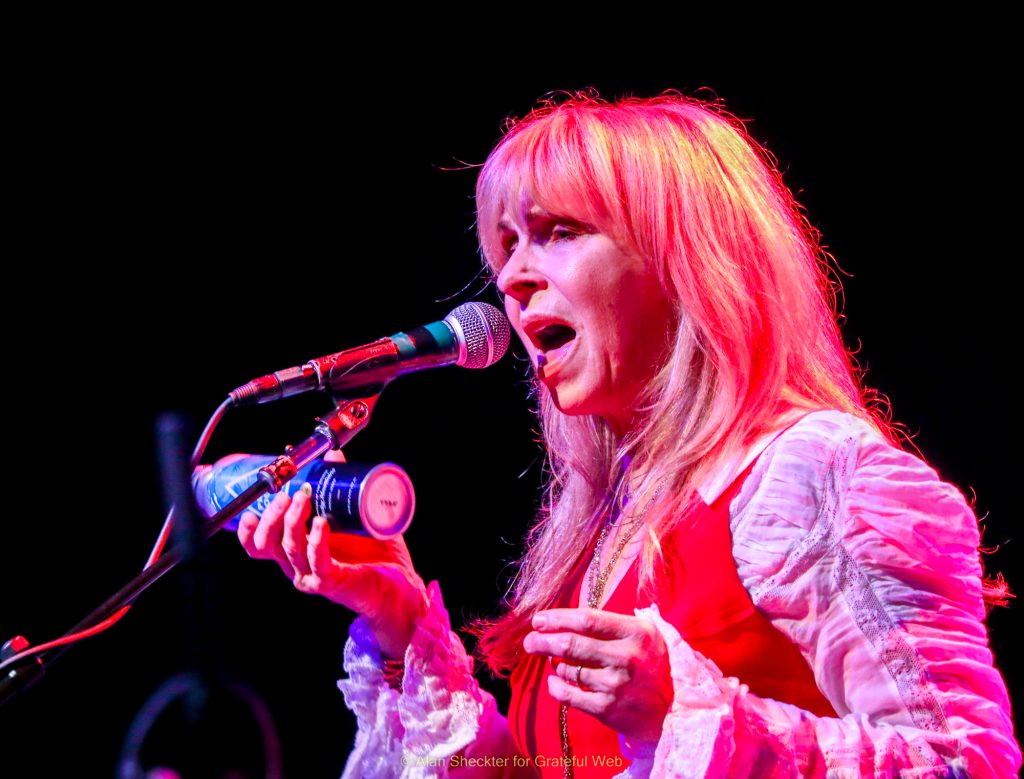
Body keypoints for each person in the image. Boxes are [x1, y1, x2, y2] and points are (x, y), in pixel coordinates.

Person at [236, 92, 1021, 777]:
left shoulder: (814, 474)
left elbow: (963, 762)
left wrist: (692, 714)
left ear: (685, 261)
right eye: (507, 246)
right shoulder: (602, 528)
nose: (512, 277)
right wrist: (400, 617)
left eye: (557, 232)